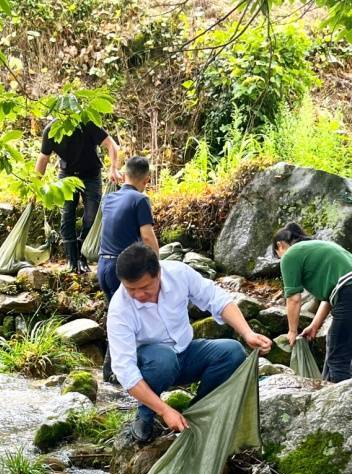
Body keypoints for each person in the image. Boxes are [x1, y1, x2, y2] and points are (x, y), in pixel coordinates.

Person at [107, 243, 272, 443]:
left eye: (144, 288)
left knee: (232, 351)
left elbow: (216, 299)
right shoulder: (119, 309)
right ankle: (145, 414)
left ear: (158, 273)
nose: (139, 295)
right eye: (131, 289)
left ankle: (196, 412)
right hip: (152, 365)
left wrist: (247, 333)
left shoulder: (178, 273)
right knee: (163, 359)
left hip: (186, 354)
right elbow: (125, 371)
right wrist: (164, 410)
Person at [34, 119, 120, 273]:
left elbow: (111, 144)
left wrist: (113, 168)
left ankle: (83, 256)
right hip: (67, 176)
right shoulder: (51, 130)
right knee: (67, 215)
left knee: (92, 217)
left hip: (91, 174)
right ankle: (72, 260)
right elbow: (43, 158)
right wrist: (35, 186)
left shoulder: (86, 122)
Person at [272, 222, 352, 382]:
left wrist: (292, 331)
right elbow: (330, 297)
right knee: (334, 341)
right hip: (346, 292)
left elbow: (294, 299)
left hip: (348, 292)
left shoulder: (290, 255)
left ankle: (342, 404)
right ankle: (326, 393)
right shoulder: (318, 247)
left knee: (337, 359)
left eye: (277, 254)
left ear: (280, 245)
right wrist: (315, 325)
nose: (280, 259)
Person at [98, 156, 159, 301]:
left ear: (124, 175)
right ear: (146, 180)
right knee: (135, 316)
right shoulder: (140, 199)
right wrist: (157, 267)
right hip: (123, 269)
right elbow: (147, 237)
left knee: (116, 318)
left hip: (102, 267)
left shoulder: (107, 199)